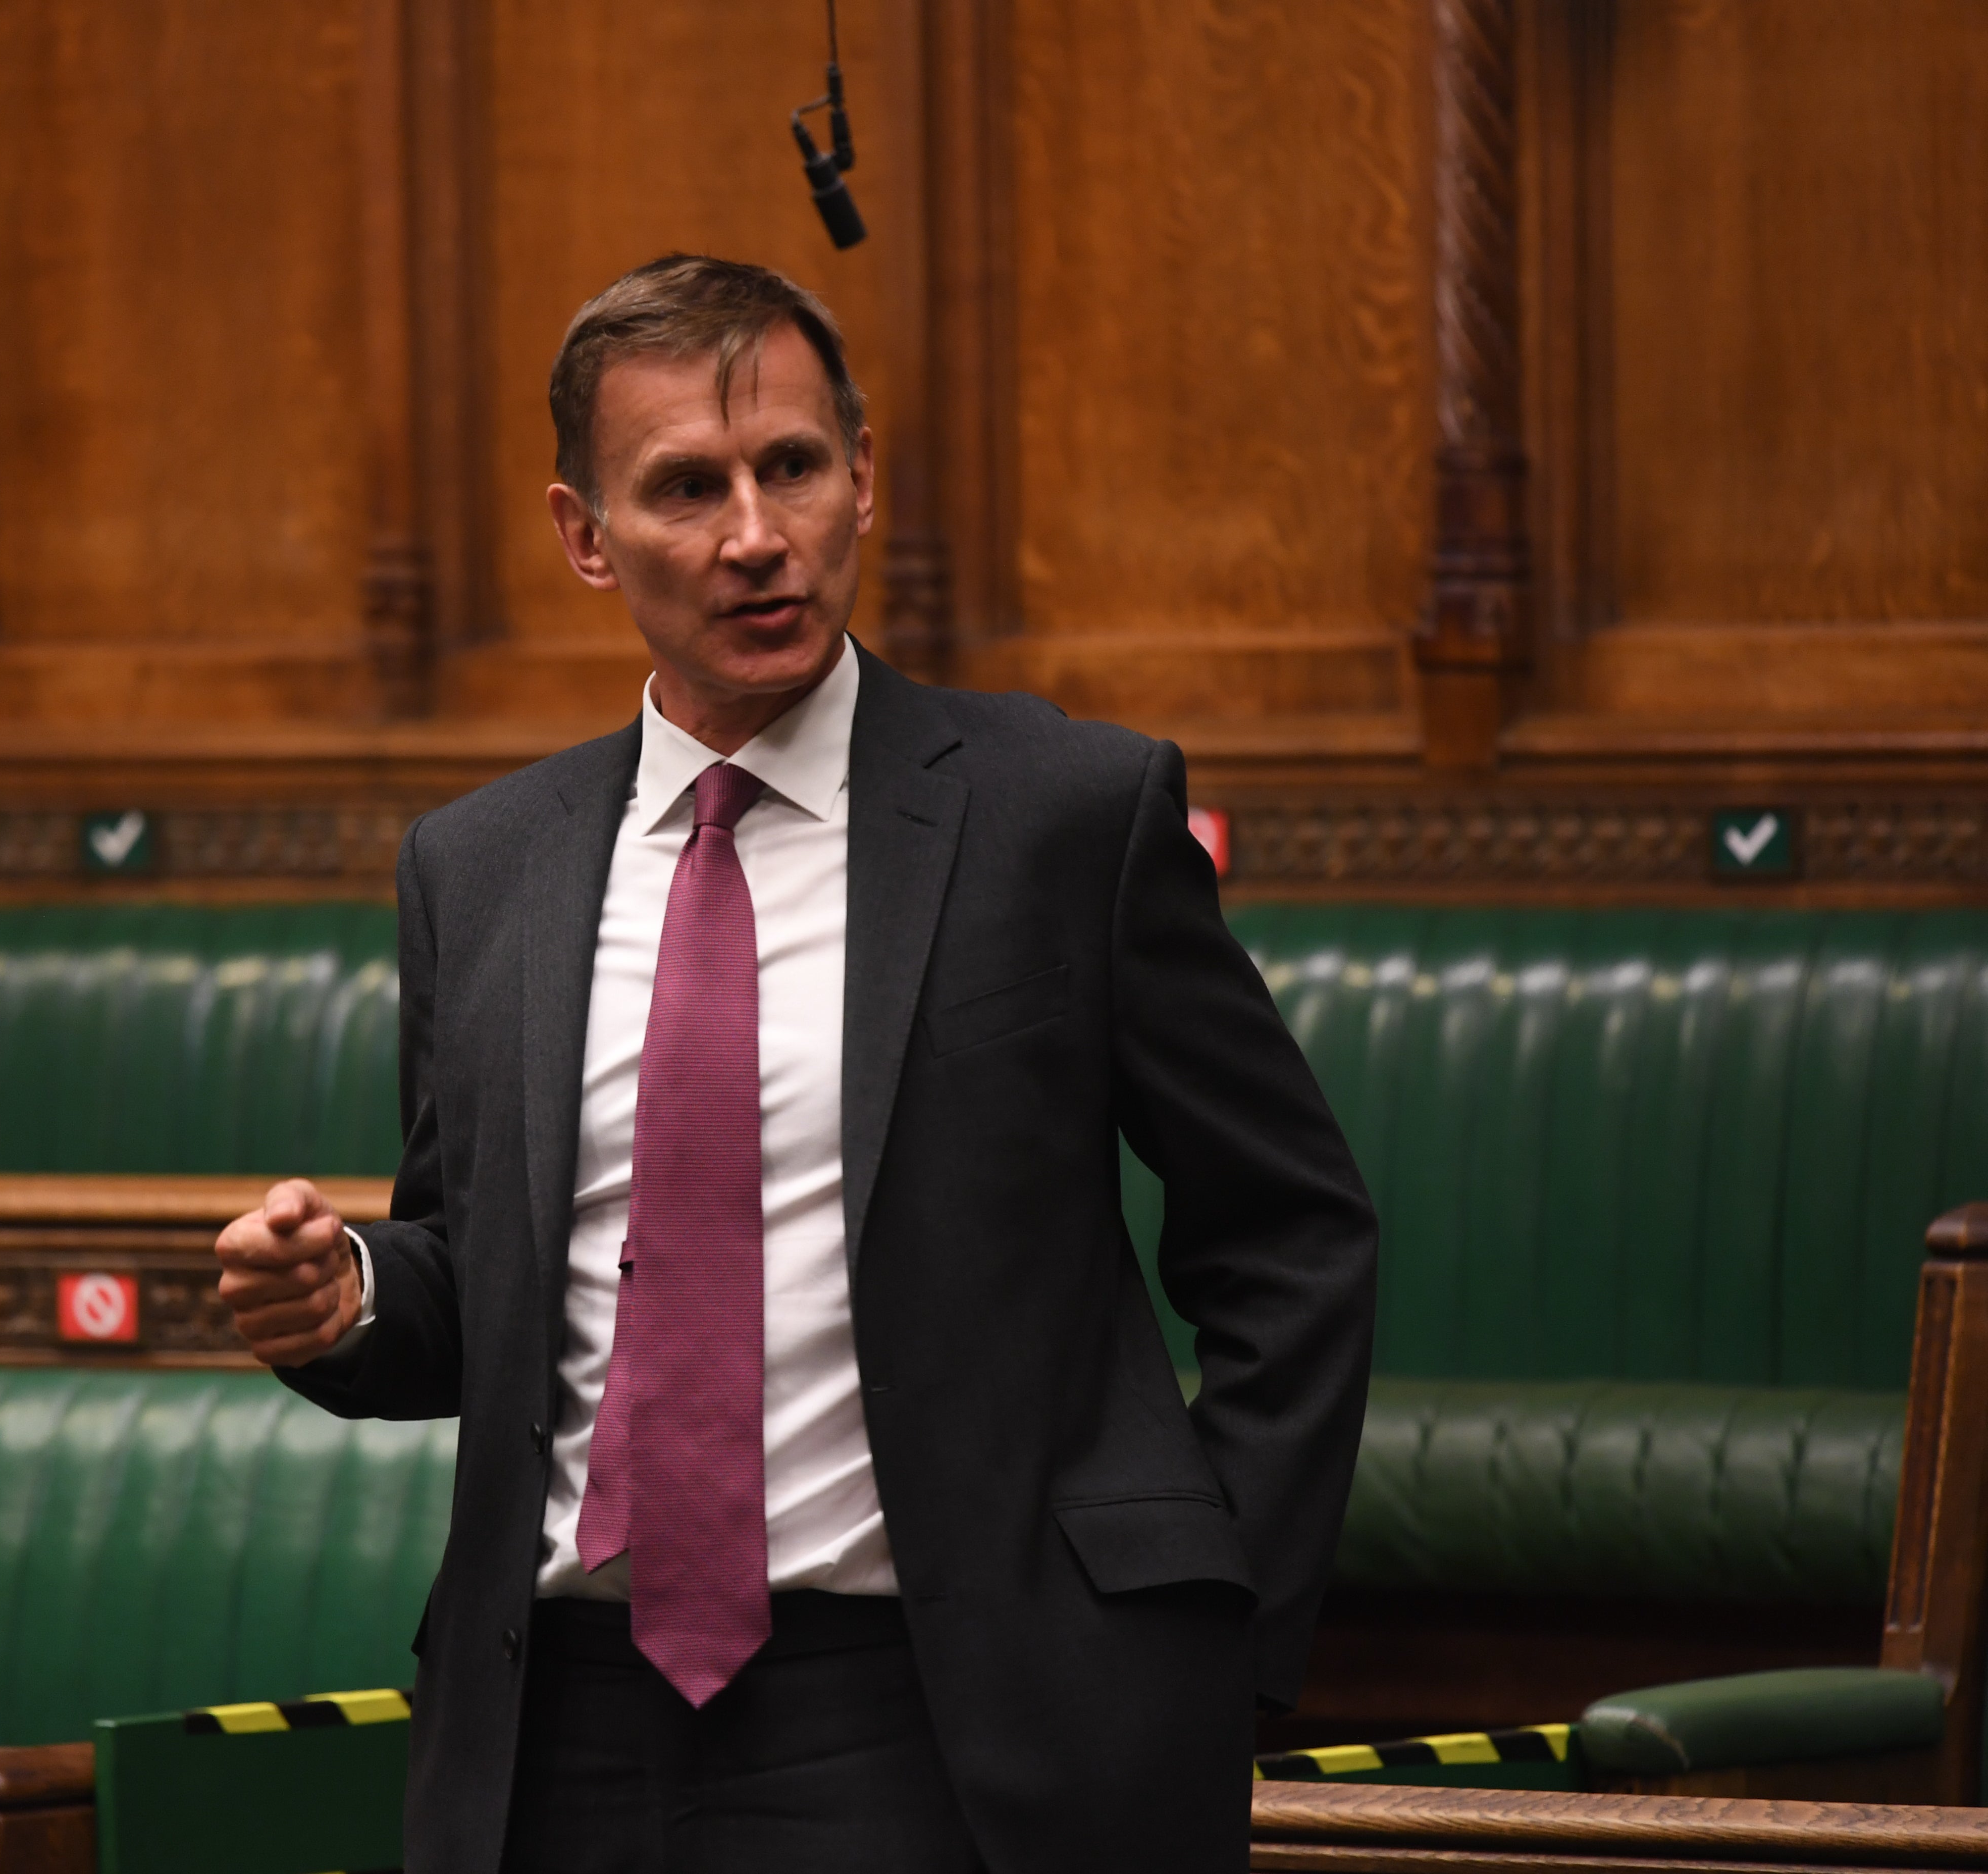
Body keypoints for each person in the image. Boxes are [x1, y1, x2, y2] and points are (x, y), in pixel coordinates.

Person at [214, 254, 1378, 1873]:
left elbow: (1292, 1229)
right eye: (685, 487)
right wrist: (347, 1291)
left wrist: (1202, 1634)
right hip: (558, 1725)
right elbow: (476, 1277)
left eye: (792, 468)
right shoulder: (478, 869)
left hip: (943, 1712)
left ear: (861, 477)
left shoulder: (1061, 813)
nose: (754, 535)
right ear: (583, 536)